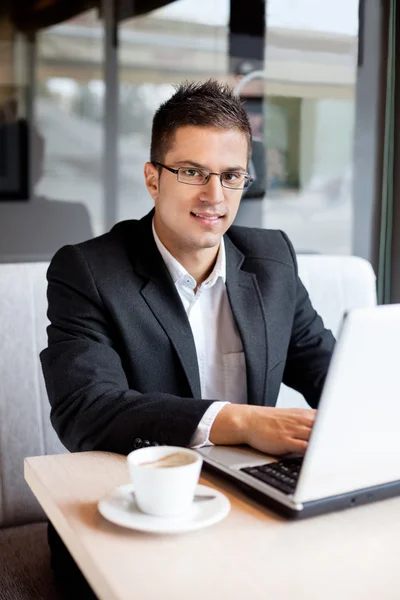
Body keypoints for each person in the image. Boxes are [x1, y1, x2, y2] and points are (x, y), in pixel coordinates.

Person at [41, 80, 335, 597]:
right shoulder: (86, 270)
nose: (214, 196)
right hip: (136, 515)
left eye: (231, 175)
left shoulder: (274, 261)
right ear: (153, 179)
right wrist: (240, 420)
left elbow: (331, 373)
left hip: (254, 504)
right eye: (193, 172)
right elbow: (85, 409)